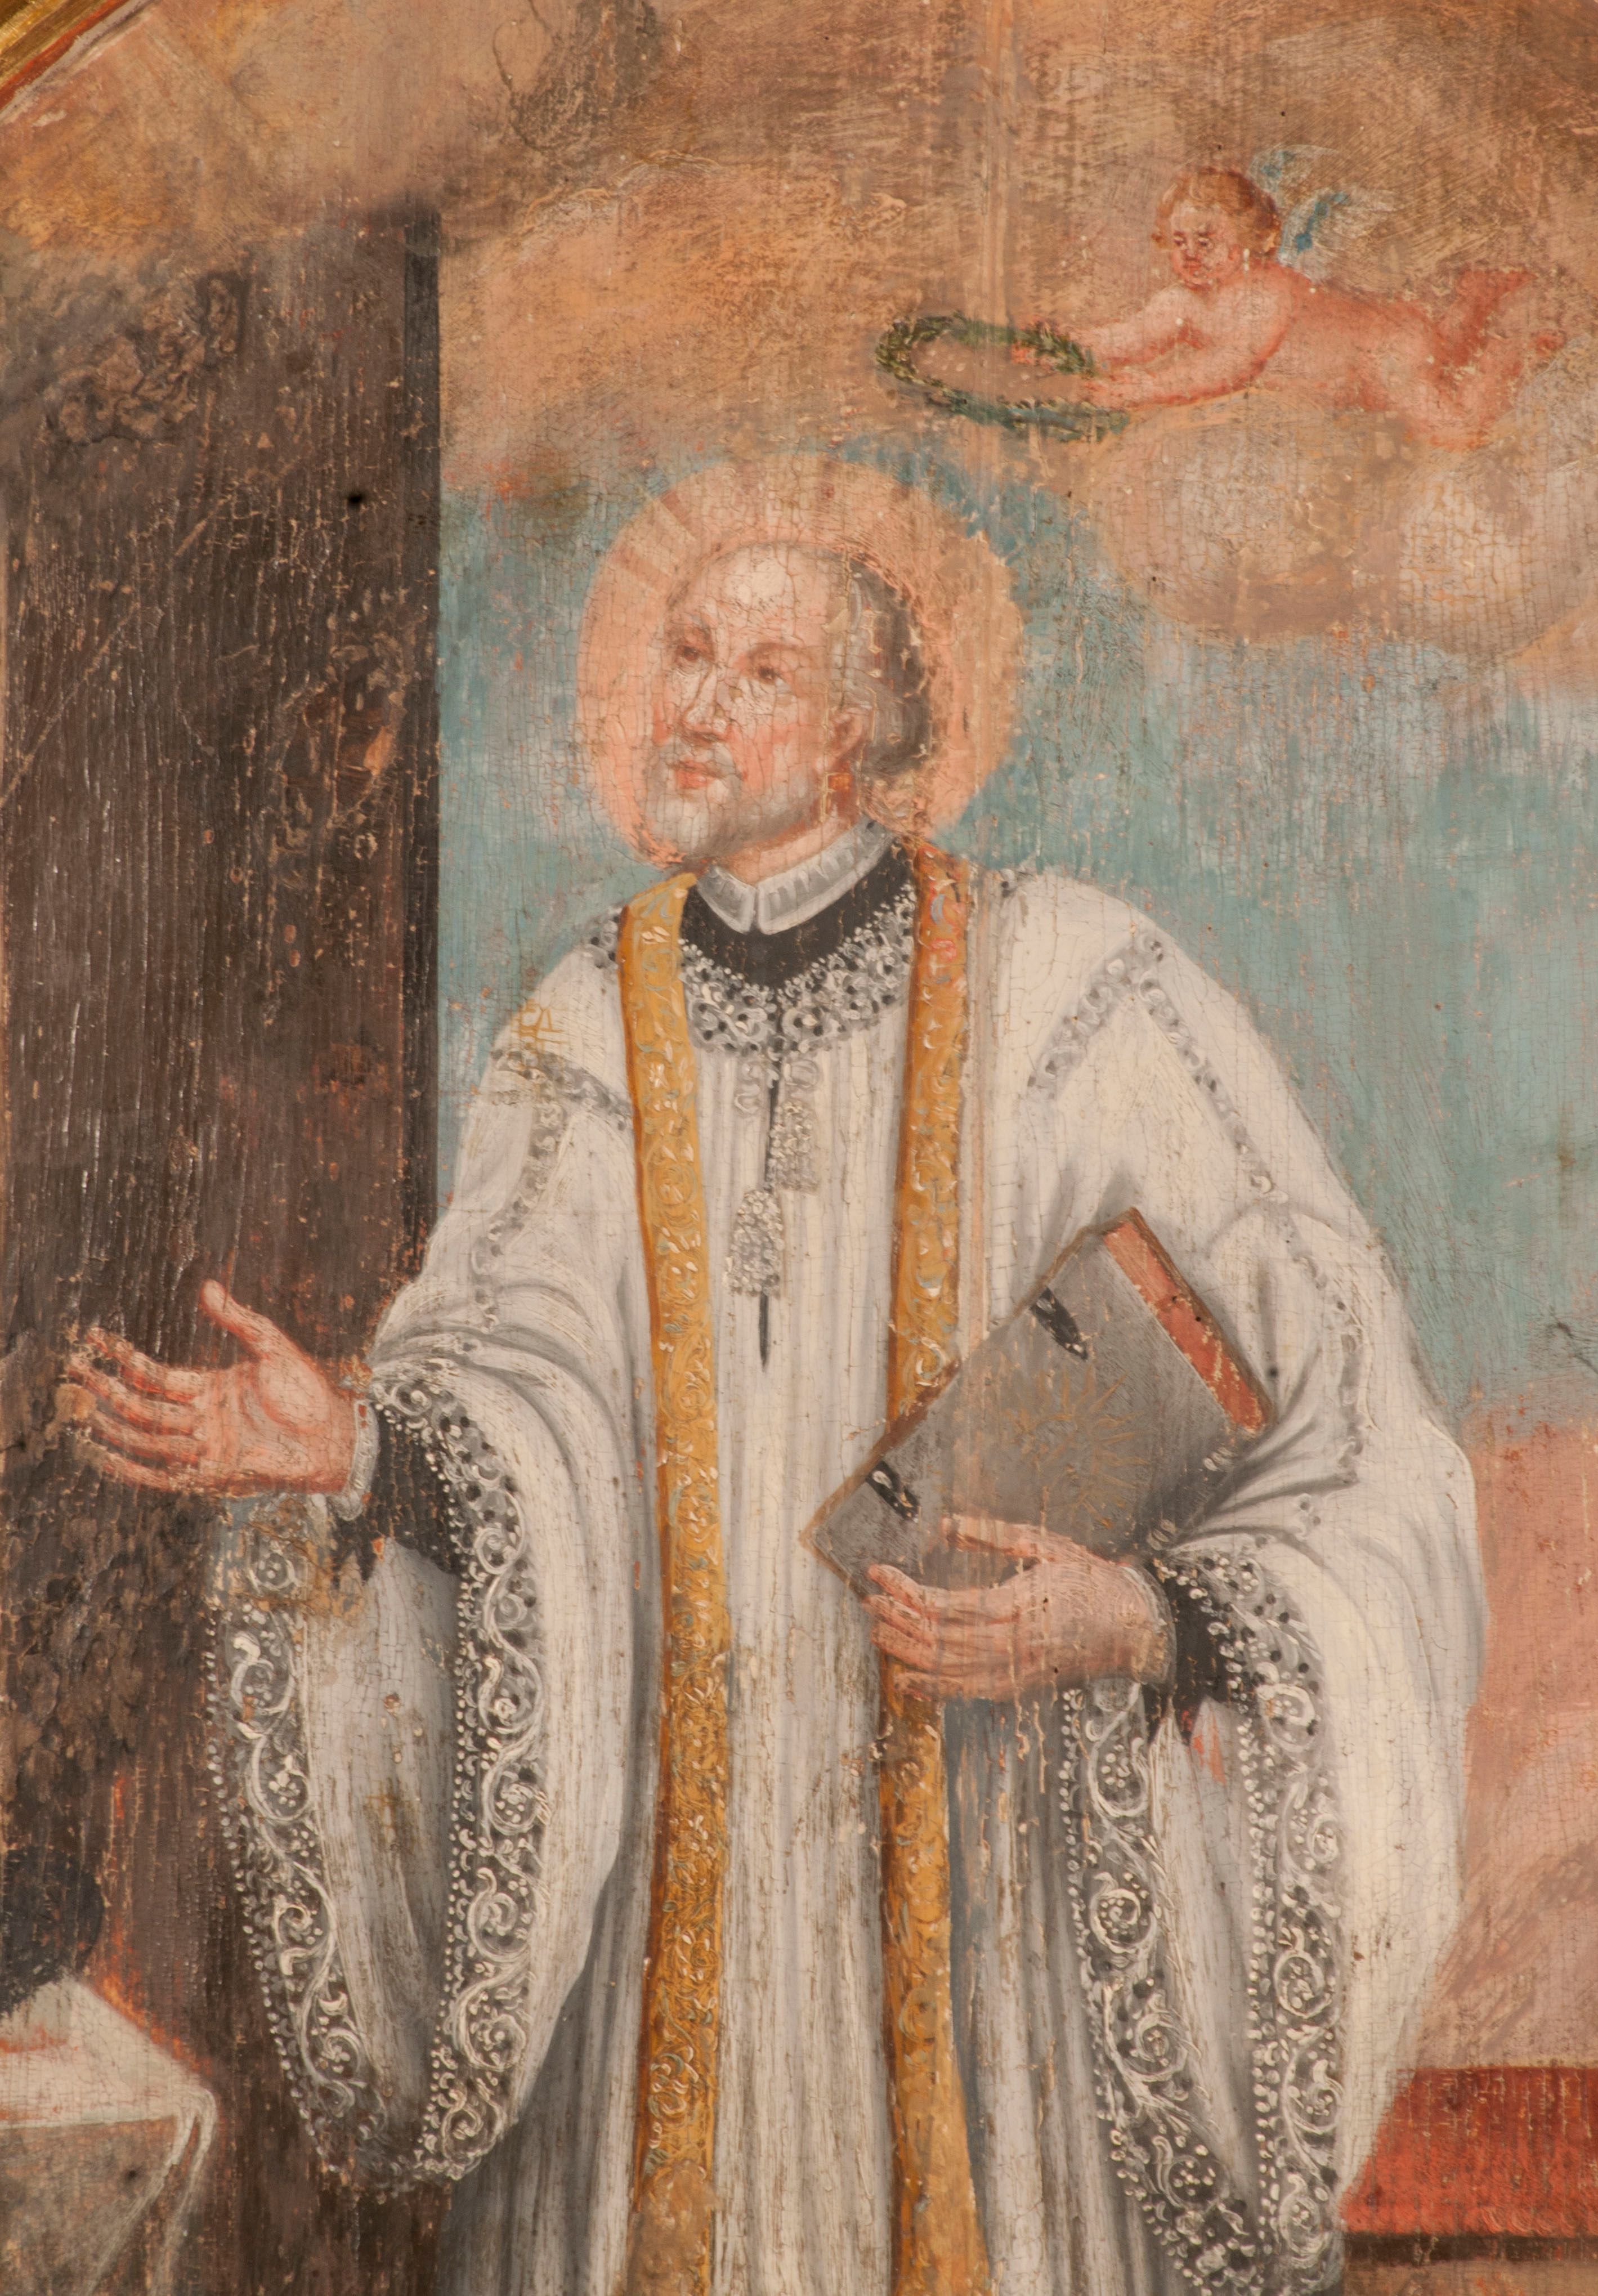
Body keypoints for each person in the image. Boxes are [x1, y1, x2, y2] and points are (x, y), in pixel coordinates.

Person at [67, 458, 1483, 2296]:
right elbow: (522, 1411)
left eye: (758, 670)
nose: (696, 701)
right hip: (670, 1874)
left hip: (994, 1873)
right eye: (682, 652)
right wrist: (356, 1446)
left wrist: (1138, 1617)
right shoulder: (580, 1024)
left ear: (862, 730)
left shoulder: (1080, 989)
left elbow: (1351, 1409)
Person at [1021, 166, 1560, 450]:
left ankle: (1510, 353)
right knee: (1443, 355)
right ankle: (1475, 297)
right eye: (1179, 241)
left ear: (1250, 238)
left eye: (1206, 240)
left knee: (1455, 427)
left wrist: (1145, 389)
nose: (1190, 254)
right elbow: (1131, 337)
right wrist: (1061, 344)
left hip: (1384, 350)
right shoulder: (1180, 301)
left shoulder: (1264, 292)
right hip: (1376, 363)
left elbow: (1233, 366)